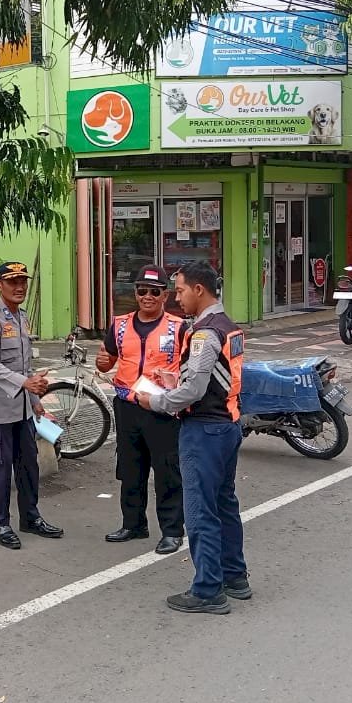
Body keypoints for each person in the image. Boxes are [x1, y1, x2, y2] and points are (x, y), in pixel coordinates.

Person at [138, 261, 249, 615]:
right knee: (224, 504)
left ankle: (207, 590)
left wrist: (155, 400)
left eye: (181, 290)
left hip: (204, 429)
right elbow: (214, 380)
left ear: (199, 290)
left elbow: (196, 389)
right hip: (227, 424)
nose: (176, 297)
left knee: (201, 510)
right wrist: (177, 383)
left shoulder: (204, 332)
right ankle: (235, 577)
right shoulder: (228, 326)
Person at [95, 265, 185, 554]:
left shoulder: (179, 327)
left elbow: (191, 368)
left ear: (165, 295)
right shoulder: (119, 325)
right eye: (142, 291)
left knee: (167, 470)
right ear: (135, 293)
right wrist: (101, 362)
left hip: (162, 409)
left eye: (154, 292)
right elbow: (106, 361)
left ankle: (172, 530)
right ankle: (133, 524)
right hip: (128, 407)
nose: (147, 296)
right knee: (130, 469)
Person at [0, 260, 64, 550]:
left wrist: (35, 400)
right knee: (0, 471)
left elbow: (26, 366)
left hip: (22, 409)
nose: (20, 287)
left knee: (29, 465)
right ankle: (0, 524)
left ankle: (31, 517)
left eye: (23, 281)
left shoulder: (22, 318)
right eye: (12, 282)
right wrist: (25, 385)